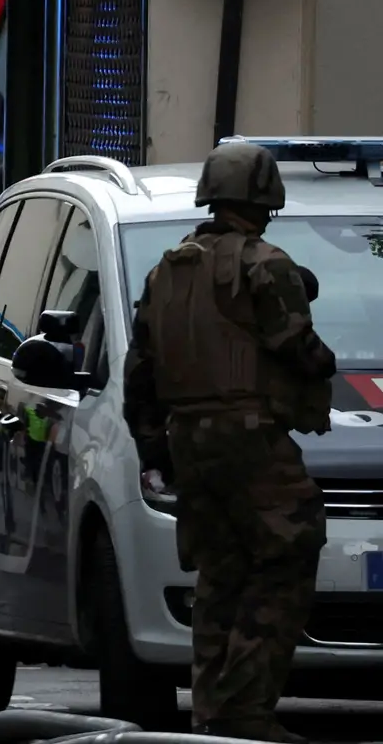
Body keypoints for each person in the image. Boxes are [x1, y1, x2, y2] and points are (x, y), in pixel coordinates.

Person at [123, 142, 336, 743]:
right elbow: (298, 347)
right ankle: (245, 712)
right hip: (249, 438)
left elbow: (139, 374)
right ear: (264, 197)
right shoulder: (264, 264)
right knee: (288, 553)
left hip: (188, 441)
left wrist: (152, 447)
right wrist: (326, 361)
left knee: (221, 571)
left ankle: (212, 713)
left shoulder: (166, 271)